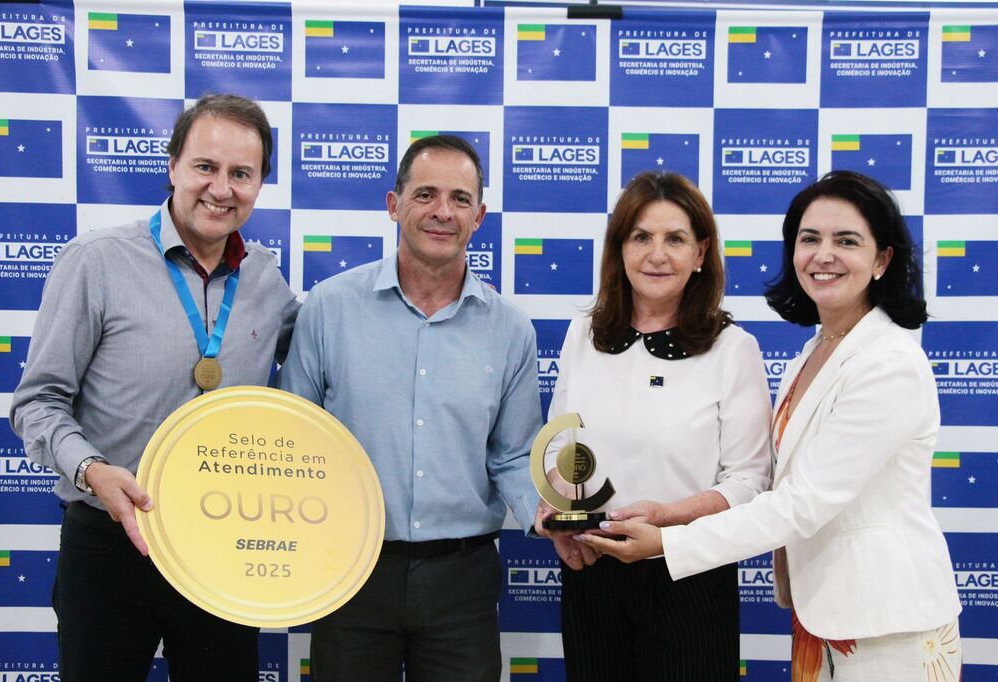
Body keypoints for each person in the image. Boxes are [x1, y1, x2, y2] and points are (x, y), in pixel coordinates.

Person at [580, 171, 963, 680]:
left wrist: (670, 540)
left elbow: (801, 501)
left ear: (882, 260)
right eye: (810, 239)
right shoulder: (816, 352)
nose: (823, 255)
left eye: (847, 241)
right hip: (823, 615)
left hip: (887, 621)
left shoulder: (889, 362)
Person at [10, 94, 299, 682]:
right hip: (110, 542)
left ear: (259, 184)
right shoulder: (96, 261)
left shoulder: (266, 278)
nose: (221, 188)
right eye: (205, 167)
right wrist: (91, 469)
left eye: (241, 174)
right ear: (173, 166)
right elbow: (37, 402)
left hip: (222, 548)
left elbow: (324, 363)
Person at [277, 134, 541, 681]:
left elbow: (514, 455)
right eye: (425, 194)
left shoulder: (511, 329)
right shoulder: (328, 308)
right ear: (394, 205)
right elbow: (294, 442)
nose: (443, 211)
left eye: (460, 199)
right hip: (349, 569)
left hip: (463, 580)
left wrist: (546, 513)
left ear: (479, 217)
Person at [535, 172, 773, 681]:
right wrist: (555, 501)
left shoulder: (733, 349)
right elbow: (561, 448)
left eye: (675, 239)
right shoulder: (582, 336)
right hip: (592, 571)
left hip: (689, 574)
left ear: (701, 252)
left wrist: (666, 518)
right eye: (641, 236)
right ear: (619, 249)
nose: (656, 255)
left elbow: (750, 481)